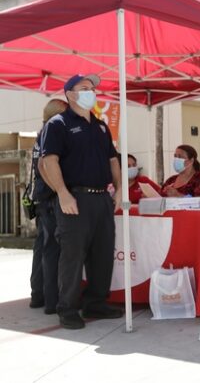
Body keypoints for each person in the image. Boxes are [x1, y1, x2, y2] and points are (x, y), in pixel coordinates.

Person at [40, 74, 123, 330]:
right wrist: (63, 193)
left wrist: (119, 190)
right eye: (84, 88)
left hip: (101, 199)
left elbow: (112, 160)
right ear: (70, 94)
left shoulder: (100, 126)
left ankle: (96, 302)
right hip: (74, 199)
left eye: (92, 88)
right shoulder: (58, 124)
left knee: (102, 254)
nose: (91, 92)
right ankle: (67, 308)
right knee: (72, 256)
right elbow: (48, 161)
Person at [28, 99, 68, 314]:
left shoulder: (40, 134)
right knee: (53, 249)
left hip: (42, 197)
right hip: (51, 197)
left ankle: (39, 295)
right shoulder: (51, 133)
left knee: (43, 248)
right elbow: (47, 166)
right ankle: (52, 300)